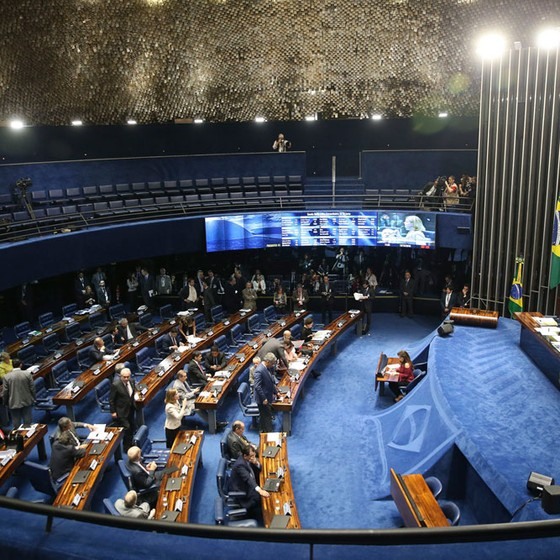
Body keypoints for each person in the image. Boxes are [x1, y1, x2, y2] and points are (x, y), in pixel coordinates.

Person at [230, 447, 270, 518]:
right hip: (241, 489)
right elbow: (248, 479)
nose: (253, 457)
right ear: (245, 456)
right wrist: (260, 490)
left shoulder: (248, 459)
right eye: (251, 456)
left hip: (248, 482)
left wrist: (256, 463)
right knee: (260, 497)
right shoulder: (240, 465)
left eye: (254, 455)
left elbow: (259, 468)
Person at [109, 367, 137, 451]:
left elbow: (131, 394)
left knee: (132, 426)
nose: (126, 379)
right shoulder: (116, 385)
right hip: (121, 410)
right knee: (127, 428)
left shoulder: (132, 381)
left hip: (131, 408)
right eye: (124, 377)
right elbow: (111, 400)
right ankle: (126, 447)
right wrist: (113, 411)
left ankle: (130, 442)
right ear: (120, 376)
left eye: (128, 377)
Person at [2, 358, 35, 427]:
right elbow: (32, 388)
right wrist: (33, 398)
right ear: (21, 365)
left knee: (16, 423)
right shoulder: (27, 374)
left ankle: (18, 436)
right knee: (28, 421)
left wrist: (5, 402)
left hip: (13, 402)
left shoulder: (6, 377)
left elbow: (5, 392)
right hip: (27, 400)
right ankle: (28, 436)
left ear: (12, 365)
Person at [253, 353, 279, 433]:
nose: (273, 365)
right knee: (266, 416)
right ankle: (268, 433)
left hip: (267, 395)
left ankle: (263, 431)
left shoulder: (268, 368)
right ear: (267, 361)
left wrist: (276, 392)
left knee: (265, 416)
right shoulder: (259, 371)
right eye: (272, 363)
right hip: (262, 399)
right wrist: (264, 398)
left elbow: (270, 381)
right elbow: (257, 386)